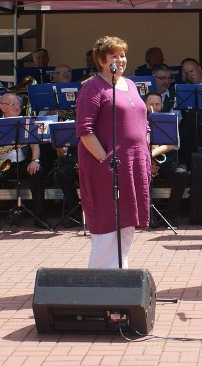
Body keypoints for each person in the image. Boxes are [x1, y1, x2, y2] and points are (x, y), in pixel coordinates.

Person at [75, 36, 151, 268]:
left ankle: (120, 277)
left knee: (127, 225)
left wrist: (146, 150)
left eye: (122, 55)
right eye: (114, 56)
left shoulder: (129, 85)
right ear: (101, 60)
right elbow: (85, 131)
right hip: (107, 167)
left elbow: (142, 121)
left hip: (133, 164)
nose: (120, 60)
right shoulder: (92, 88)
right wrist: (105, 160)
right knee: (107, 227)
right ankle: (99, 285)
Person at [0, 92, 47, 231]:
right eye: (13, 104)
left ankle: (39, 216)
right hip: (0, 165)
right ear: (2, 107)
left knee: (38, 171)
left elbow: (35, 145)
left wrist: (35, 160)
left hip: (22, 164)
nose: (17, 107)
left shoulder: (27, 121)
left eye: (18, 104)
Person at [145, 91, 189, 229]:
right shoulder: (139, 120)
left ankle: (171, 216)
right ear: (145, 105)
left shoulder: (169, 120)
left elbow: (174, 144)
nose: (155, 107)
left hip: (164, 163)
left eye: (157, 104)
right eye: (151, 104)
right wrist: (147, 160)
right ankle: (146, 216)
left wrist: (152, 154)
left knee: (181, 174)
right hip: (143, 163)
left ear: (162, 104)